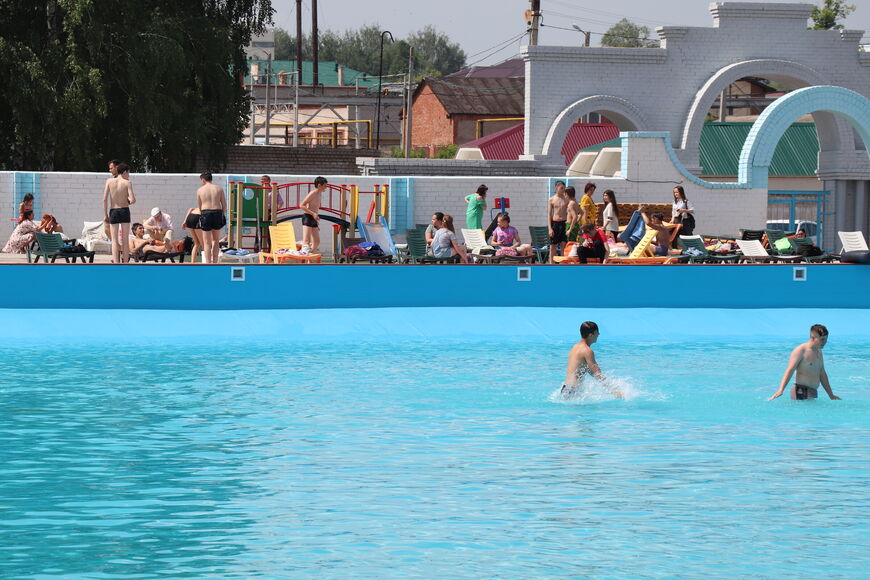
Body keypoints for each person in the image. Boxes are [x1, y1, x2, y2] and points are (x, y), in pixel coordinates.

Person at [769, 324, 841, 401]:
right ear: (812, 337)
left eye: (826, 339)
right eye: (822, 339)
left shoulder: (819, 351)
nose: (825, 342)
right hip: (801, 391)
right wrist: (781, 390)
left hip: (812, 392)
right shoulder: (800, 350)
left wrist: (831, 395)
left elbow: (822, 373)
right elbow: (790, 370)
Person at [560, 321, 622, 399]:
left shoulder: (574, 347)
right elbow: (597, 373)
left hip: (565, 389)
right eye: (597, 332)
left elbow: (587, 370)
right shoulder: (587, 351)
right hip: (573, 391)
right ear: (590, 335)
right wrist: (614, 390)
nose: (598, 334)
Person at [102, 162, 136, 263]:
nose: (129, 175)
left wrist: (105, 215)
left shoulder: (109, 181)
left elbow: (104, 199)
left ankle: (116, 263)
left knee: (114, 240)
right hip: (124, 210)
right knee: (125, 240)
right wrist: (127, 202)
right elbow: (133, 200)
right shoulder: (127, 182)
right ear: (125, 171)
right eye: (128, 172)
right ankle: (125, 263)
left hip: (113, 211)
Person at [197, 171, 227, 264]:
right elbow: (224, 205)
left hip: (206, 213)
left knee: (206, 242)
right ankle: (215, 262)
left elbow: (200, 207)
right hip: (217, 212)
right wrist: (222, 215)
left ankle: (208, 263)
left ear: (203, 179)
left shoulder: (200, 190)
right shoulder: (219, 189)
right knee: (216, 240)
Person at [299, 176, 328, 253]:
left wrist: (315, 217)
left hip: (313, 218)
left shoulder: (319, 194)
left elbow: (315, 208)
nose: (326, 187)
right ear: (319, 185)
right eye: (325, 186)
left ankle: (310, 256)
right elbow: (302, 205)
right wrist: (313, 214)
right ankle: (305, 256)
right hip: (307, 217)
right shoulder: (313, 193)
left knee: (317, 241)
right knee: (306, 241)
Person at [548, 180, 569, 263]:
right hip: (555, 223)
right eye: (561, 188)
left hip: (564, 222)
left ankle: (562, 263)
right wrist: (550, 228)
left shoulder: (567, 199)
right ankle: (551, 264)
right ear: (556, 188)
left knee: (563, 244)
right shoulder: (551, 199)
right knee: (553, 245)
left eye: (564, 188)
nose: (563, 190)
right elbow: (549, 215)